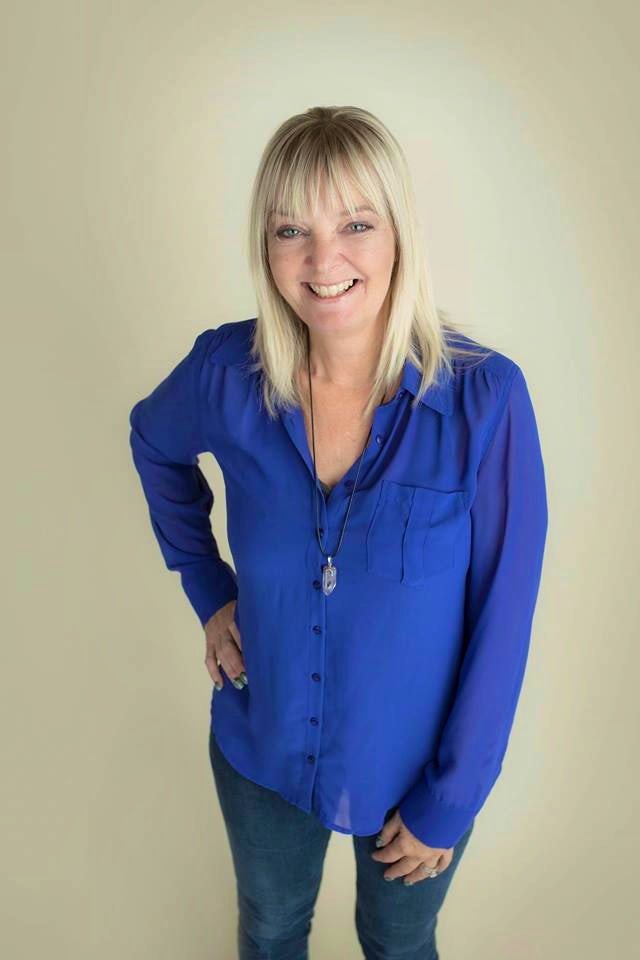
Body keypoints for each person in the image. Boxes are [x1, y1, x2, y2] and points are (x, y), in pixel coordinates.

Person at [128, 105, 549, 959]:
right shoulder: (224, 375)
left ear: (399, 234)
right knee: (271, 928)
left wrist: (450, 801)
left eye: (355, 224)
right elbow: (152, 442)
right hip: (262, 745)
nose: (324, 262)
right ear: (266, 246)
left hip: (415, 773)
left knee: (399, 945)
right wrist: (208, 590)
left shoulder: (486, 401)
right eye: (292, 231)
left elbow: (503, 620)